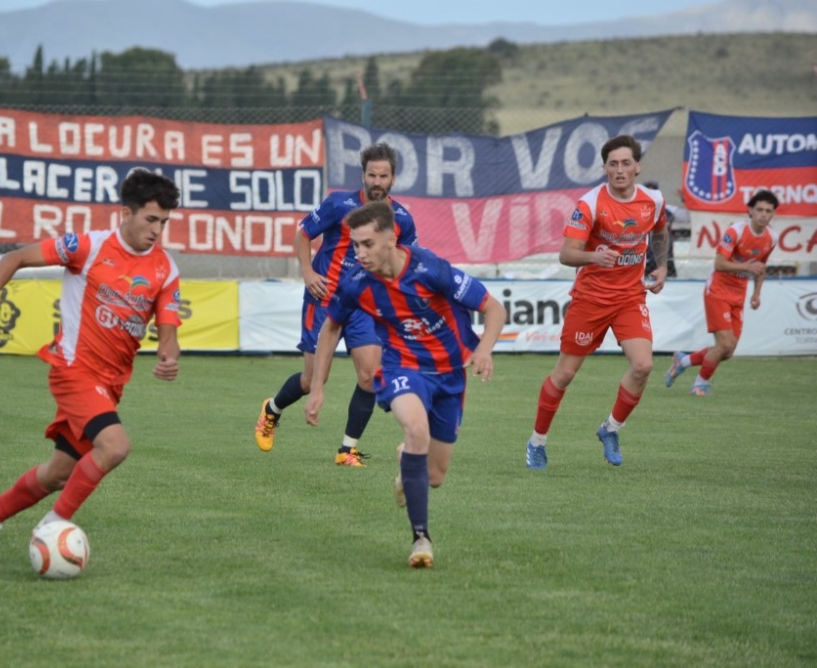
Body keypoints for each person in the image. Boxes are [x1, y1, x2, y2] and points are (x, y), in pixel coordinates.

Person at [0, 169, 183, 568]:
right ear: (125, 213)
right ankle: (51, 529)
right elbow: (14, 258)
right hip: (73, 369)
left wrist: (169, 354)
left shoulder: (165, 269)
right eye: (150, 219)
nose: (157, 230)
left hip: (110, 386)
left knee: (57, 474)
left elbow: (168, 331)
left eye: (163, 222)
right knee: (115, 446)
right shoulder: (88, 247)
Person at [303, 200, 506, 568]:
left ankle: (405, 464)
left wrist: (485, 350)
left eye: (367, 244)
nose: (359, 253)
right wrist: (317, 387)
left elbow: (494, 308)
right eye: (355, 245)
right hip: (401, 367)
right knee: (415, 428)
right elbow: (331, 327)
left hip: (449, 375)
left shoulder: (430, 269)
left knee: (436, 476)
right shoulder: (356, 284)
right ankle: (420, 538)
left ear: (390, 239)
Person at [254, 143, 418, 466]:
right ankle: (272, 409)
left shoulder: (402, 219)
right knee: (311, 378)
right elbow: (304, 234)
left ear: (393, 179)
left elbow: (408, 261)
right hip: (324, 299)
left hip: (366, 306)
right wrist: (308, 271)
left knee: (370, 376)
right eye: (371, 174)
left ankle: (347, 449)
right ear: (363, 174)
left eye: (383, 175)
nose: (377, 181)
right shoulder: (338, 204)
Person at [525, 134, 670, 470]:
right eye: (613, 164)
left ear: (638, 166)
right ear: (605, 168)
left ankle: (610, 429)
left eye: (626, 163)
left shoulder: (653, 201)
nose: (620, 170)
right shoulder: (590, 204)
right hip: (590, 300)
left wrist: (660, 266)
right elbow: (566, 254)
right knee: (563, 376)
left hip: (630, 298)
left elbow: (660, 231)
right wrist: (594, 256)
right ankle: (537, 442)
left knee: (643, 366)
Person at [665, 190, 778, 396]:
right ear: (750, 211)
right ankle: (699, 384)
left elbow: (761, 267)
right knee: (724, 344)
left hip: (739, 293)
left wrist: (757, 293)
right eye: (759, 209)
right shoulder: (736, 231)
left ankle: (683, 360)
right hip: (718, 289)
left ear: (772, 214)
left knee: (728, 351)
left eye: (768, 211)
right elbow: (719, 263)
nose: (763, 214)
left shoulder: (772, 237)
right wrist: (746, 266)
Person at [642, 180, 677, 278]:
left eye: (653, 192)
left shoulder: (668, 209)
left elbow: (686, 216)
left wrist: (685, 199)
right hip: (645, 258)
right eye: (648, 192)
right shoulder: (635, 209)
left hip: (665, 257)